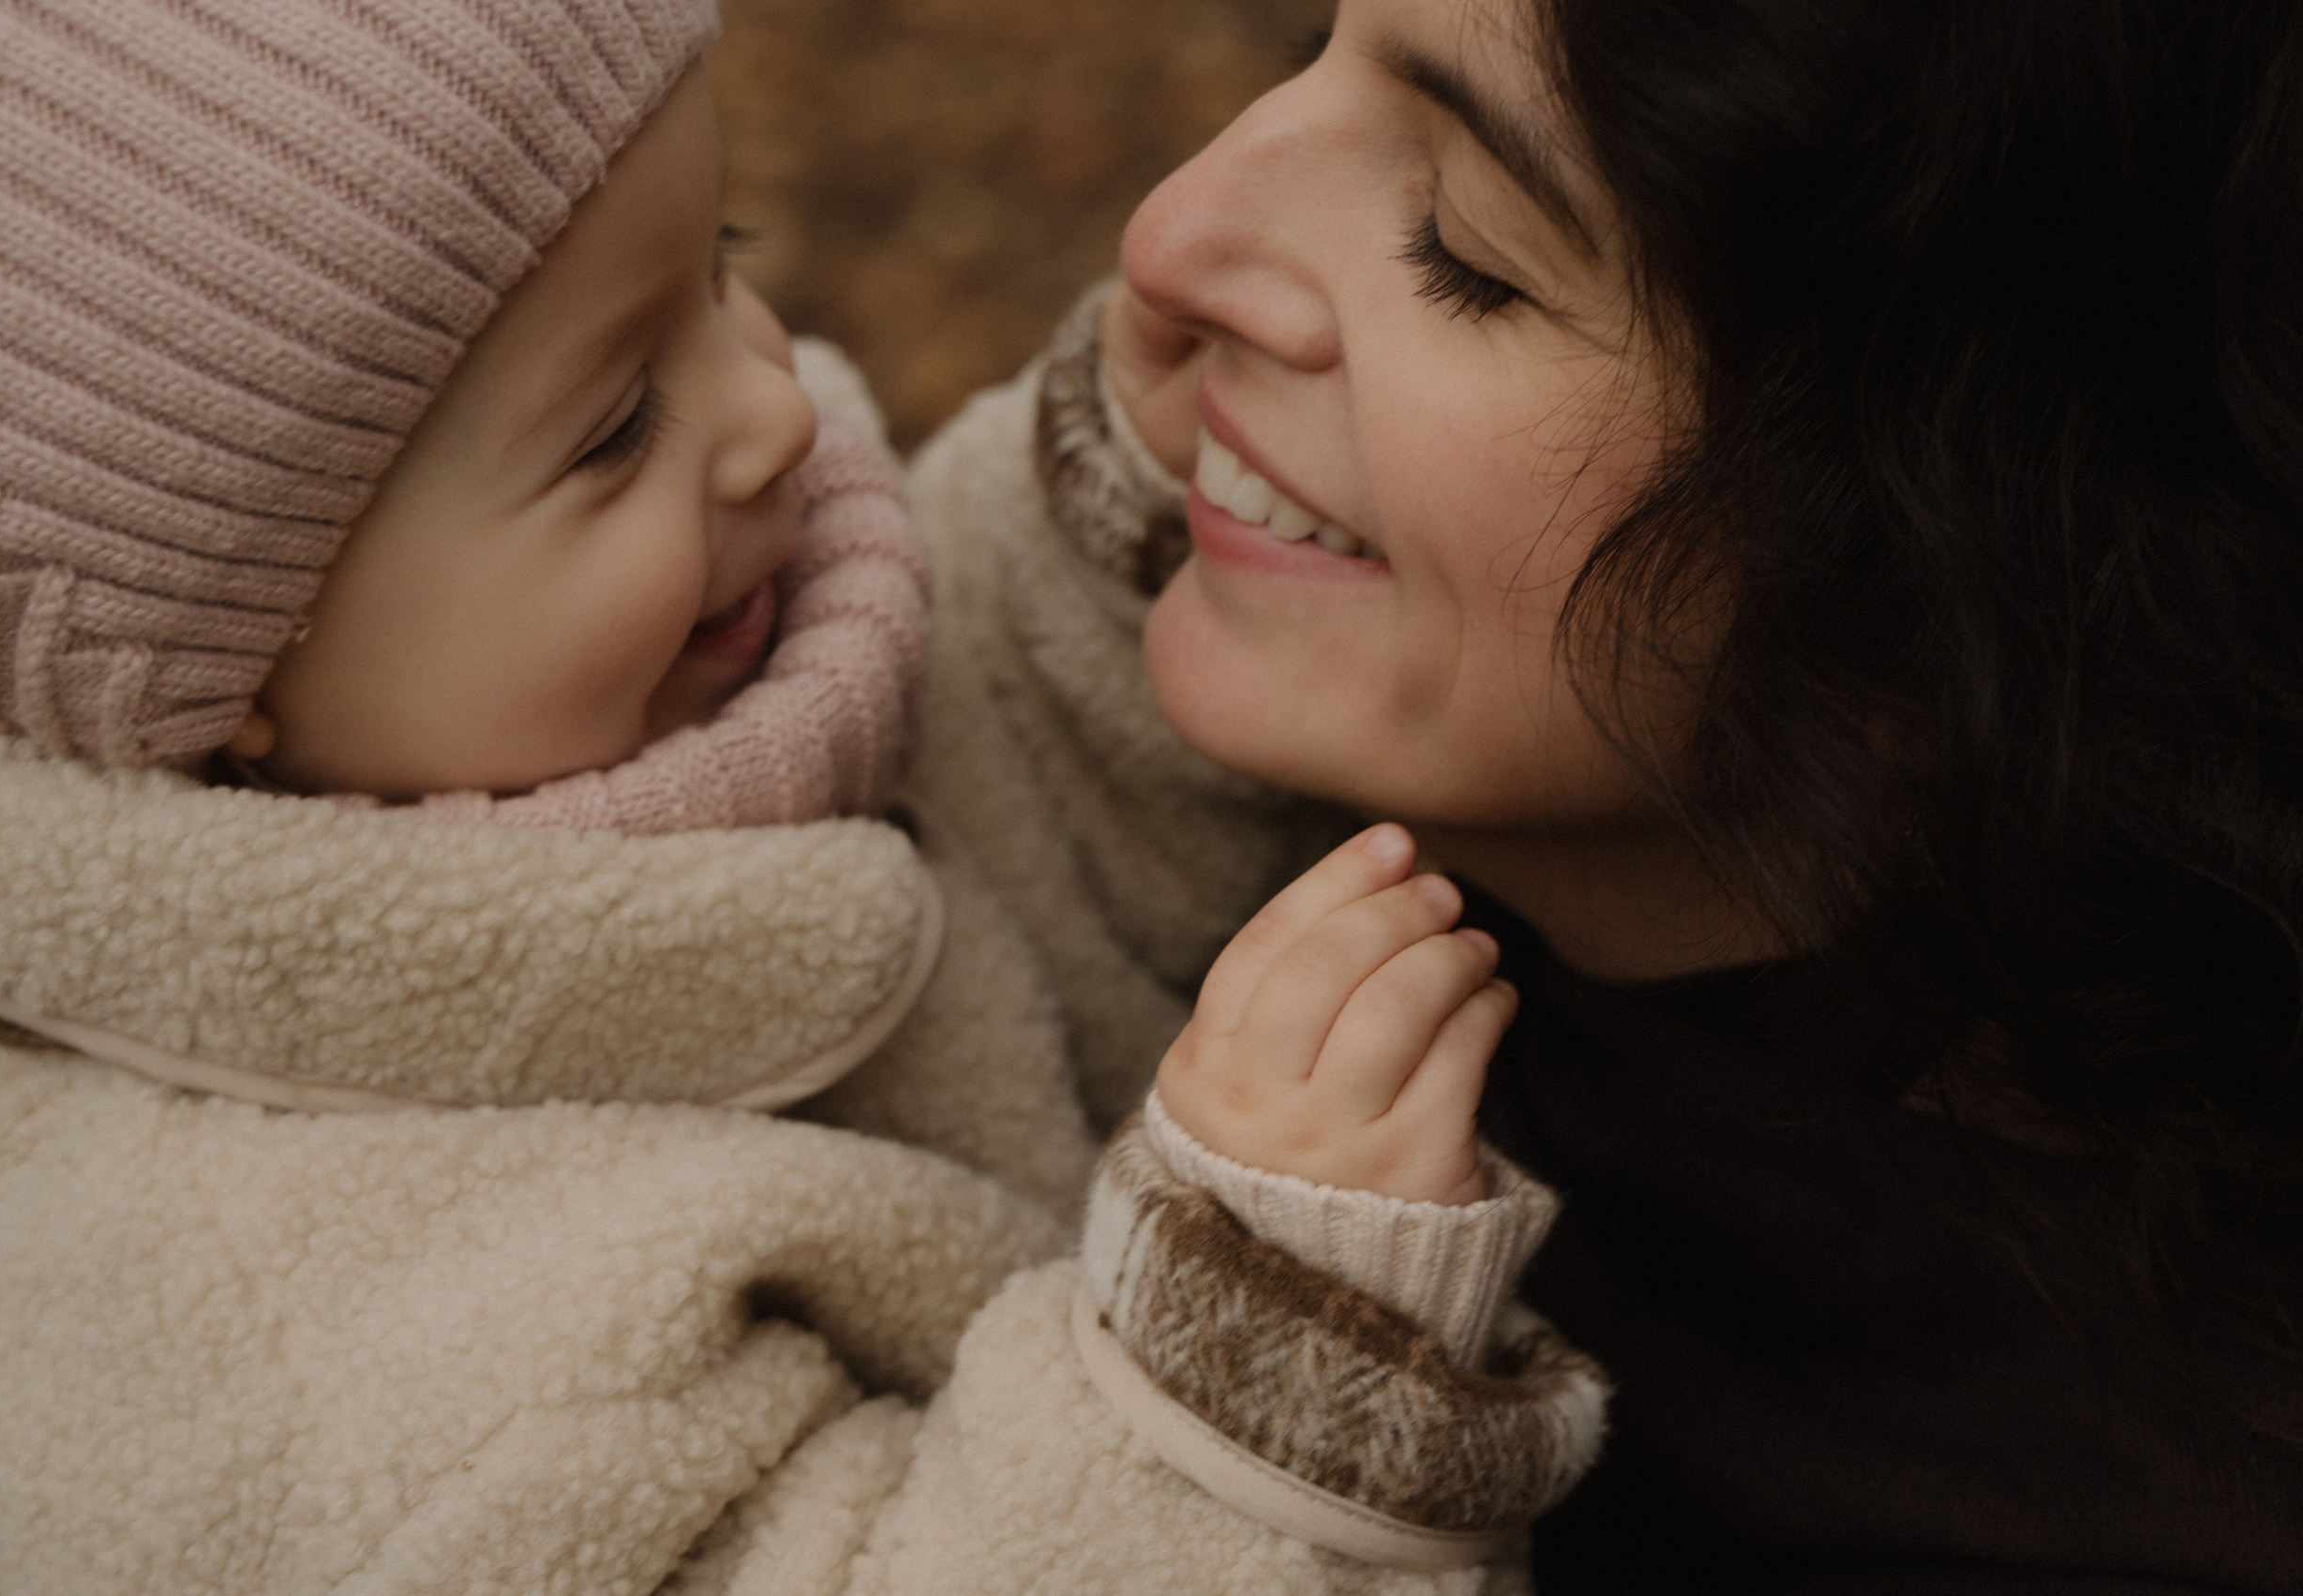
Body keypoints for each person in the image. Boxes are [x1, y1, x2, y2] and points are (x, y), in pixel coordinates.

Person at [0, 2, 1608, 1591]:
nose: (774, 409)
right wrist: (1250, 1395)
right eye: (612, 425)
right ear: (232, 675)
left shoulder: (611, 686)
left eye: (717, 269)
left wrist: (1137, 550)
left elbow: (972, 784)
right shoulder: (310, 1390)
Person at [914, 0, 2303, 1588]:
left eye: (1463, 251)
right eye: (1305, 50)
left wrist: (1263, 1432)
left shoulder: (1995, 1494)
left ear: (1954, 568)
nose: (1170, 235)